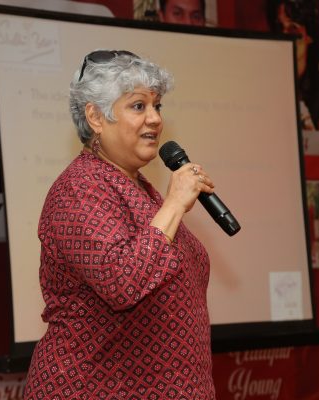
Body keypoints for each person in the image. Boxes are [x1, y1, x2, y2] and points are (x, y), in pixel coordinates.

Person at [23, 50, 217, 399]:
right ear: (96, 117)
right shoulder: (79, 188)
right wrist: (175, 204)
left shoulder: (141, 189)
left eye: (157, 106)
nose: (155, 119)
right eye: (139, 106)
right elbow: (122, 282)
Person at [267, 0, 319, 131]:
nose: (284, 37)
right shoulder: (268, 80)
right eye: (279, 28)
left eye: (293, 30)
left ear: (308, 38)